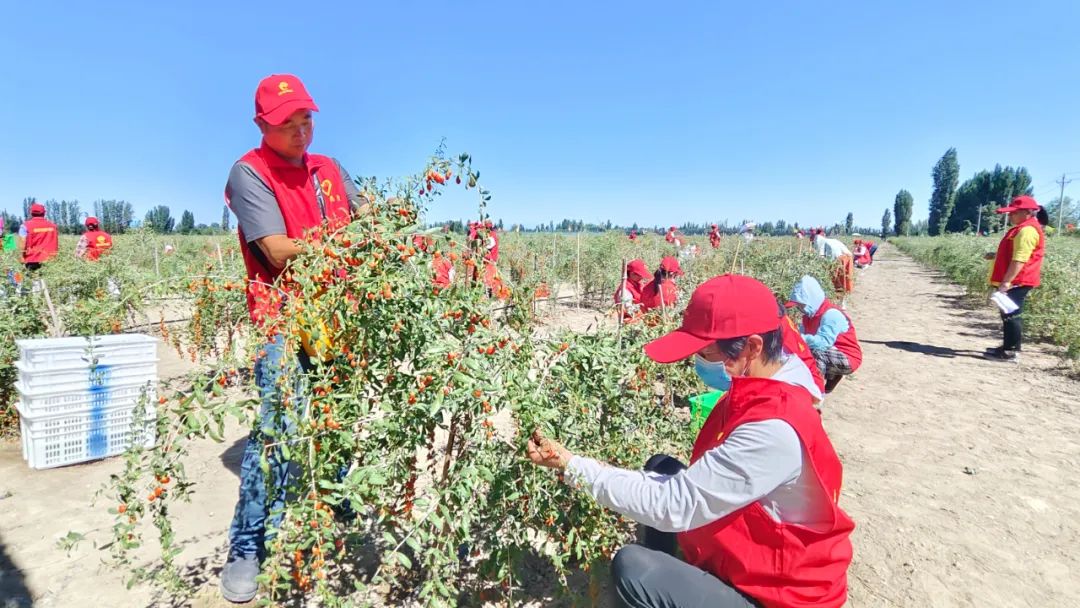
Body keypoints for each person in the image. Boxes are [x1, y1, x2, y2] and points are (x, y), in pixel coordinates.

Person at [526, 275, 854, 608]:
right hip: (760, 563)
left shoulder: (774, 429)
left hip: (780, 598)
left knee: (635, 570)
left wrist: (574, 466)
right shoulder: (769, 378)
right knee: (662, 467)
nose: (700, 362)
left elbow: (673, 504)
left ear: (753, 347)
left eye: (708, 353)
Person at [220, 74, 369, 604]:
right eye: (289, 124)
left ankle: (338, 494)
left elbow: (373, 221)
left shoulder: (330, 169)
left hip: (337, 315)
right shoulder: (249, 173)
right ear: (262, 125)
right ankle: (247, 548)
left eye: (307, 119)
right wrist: (343, 243)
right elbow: (277, 251)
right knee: (278, 430)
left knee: (338, 412)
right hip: (282, 318)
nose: (301, 131)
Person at [983, 195, 1048, 362]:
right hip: (1016, 279)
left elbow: (1020, 259)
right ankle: (1008, 347)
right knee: (1008, 314)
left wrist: (1006, 282)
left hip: (1018, 280)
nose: (1010, 216)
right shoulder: (1022, 228)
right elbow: (1015, 252)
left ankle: (1011, 352)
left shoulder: (1027, 231)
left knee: (1012, 315)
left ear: (1027, 212)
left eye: (1014, 213)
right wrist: (997, 255)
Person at [786, 275, 862, 393]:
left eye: (801, 304)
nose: (799, 308)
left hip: (848, 357)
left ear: (811, 299)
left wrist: (800, 338)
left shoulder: (831, 314)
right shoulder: (808, 317)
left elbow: (824, 342)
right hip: (832, 353)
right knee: (800, 351)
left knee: (816, 352)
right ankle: (828, 377)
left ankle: (815, 390)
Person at [21, 202, 58, 271]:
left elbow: (23, 242)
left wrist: (22, 256)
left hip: (32, 260)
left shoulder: (25, 226)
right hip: (50, 260)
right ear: (44, 213)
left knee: (33, 277)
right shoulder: (53, 226)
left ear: (31, 213)